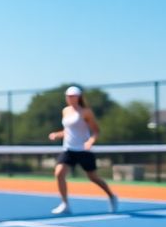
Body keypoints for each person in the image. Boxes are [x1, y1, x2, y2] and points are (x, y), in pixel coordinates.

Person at [47, 86, 119, 214]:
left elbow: (96, 130)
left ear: (79, 97)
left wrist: (90, 141)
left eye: (73, 96)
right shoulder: (65, 111)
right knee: (59, 173)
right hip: (68, 149)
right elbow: (68, 130)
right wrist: (57, 134)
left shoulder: (86, 112)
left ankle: (111, 196)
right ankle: (65, 204)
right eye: (68, 96)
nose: (70, 98)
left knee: (93, 177)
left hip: (83, 150)